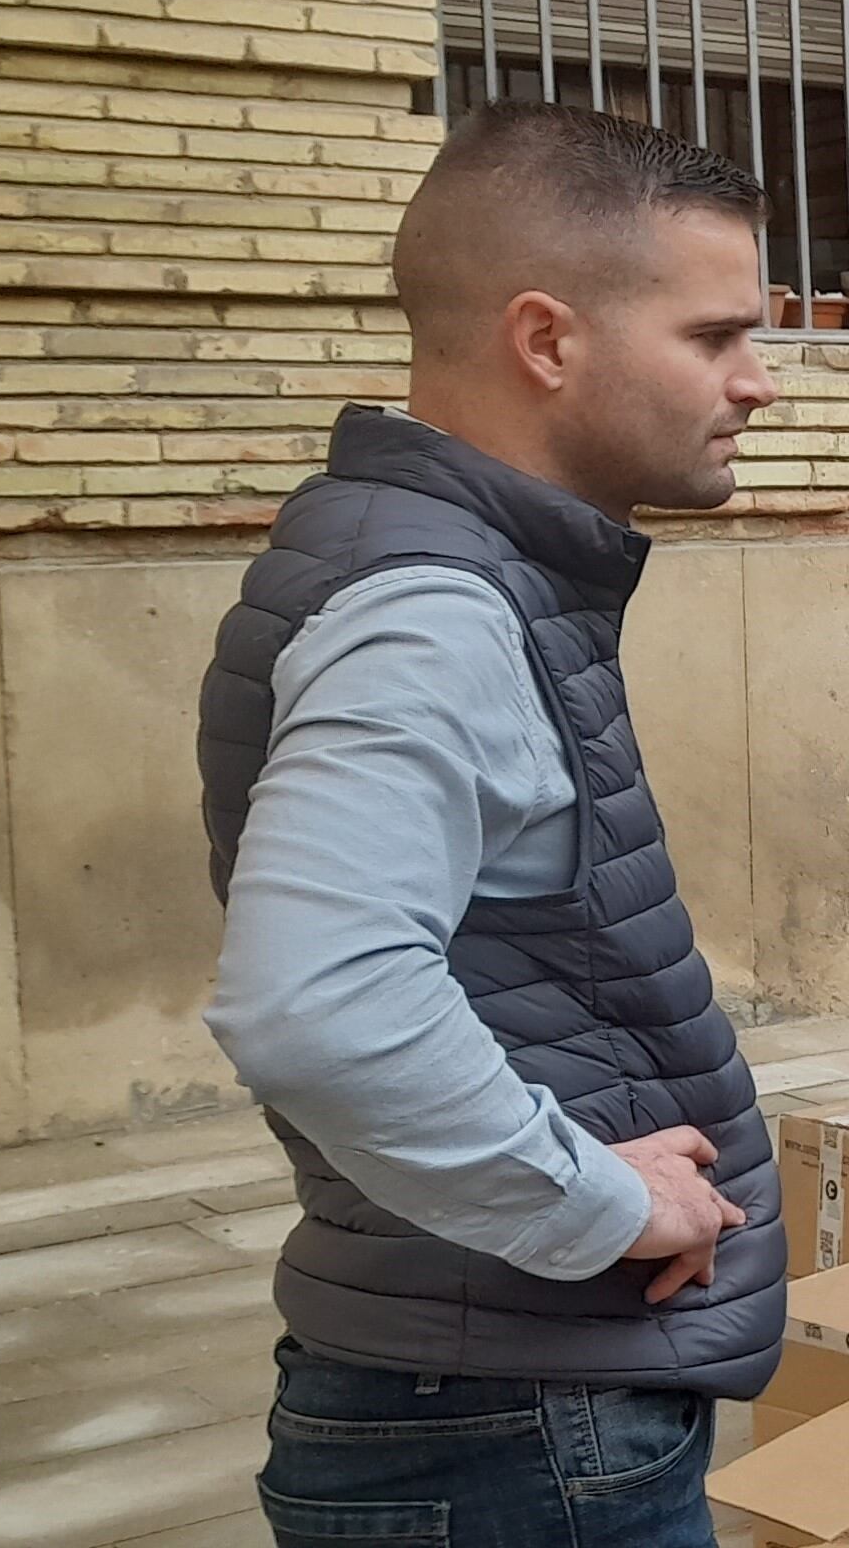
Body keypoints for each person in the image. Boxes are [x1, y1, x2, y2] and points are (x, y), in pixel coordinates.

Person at [196, 103, 785, 1547]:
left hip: (496, 1402)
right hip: (513, 1426)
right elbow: (314, 1003)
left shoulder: (448, 571)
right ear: (547, 340)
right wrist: (590, 1198)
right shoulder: (435, 611)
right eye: (715, 337)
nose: (759, 382)